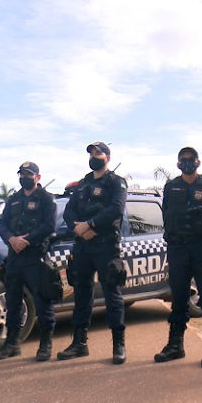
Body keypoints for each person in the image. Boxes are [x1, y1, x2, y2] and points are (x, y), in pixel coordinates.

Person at [154, 147, 202, 367]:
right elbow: (166, 213)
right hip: (178, 249)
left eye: (190, 160)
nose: (186, 163)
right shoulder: (171, 186)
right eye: (183, 160)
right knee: (179, 298)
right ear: (178, 164)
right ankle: (176, 345)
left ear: (198, 162)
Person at [58, 142, 128, 364]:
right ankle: (79, 343)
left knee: (112, 295)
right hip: (83, 247)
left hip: (106, 246)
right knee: (81, 295)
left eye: (98, 153)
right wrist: (77, 227)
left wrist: (90, 225)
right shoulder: (83, 183)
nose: (93, 156)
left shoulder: (116, 182)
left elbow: (116, 209)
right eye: (91, 153)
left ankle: (118, 345)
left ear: (107, 156)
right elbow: (69, 211)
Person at [0, 161, 57, 361]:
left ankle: (45, 345)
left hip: (35, 257)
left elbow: (49, 225)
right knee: (12, 302)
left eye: (29, 174)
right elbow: (2, 224)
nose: (24, 177)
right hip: (14, 257)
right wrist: (12, 239)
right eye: (22, 174)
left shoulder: (46, 199)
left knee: (42, 302)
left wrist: (26, 240)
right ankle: (12, 344)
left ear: (38, 177)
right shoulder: (13, 200)